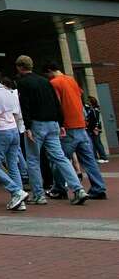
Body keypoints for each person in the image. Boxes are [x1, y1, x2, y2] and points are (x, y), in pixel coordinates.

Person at [15, 56, 87, 206]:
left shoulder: (23, 83)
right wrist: (60, 122)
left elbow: (25, 105)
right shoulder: (45, 81)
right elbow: (56, 102)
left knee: (33, 160)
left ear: (20, 67)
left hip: (36, 124)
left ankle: (39, 195)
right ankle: (78, 189)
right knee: (60, 157)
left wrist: (27, 126)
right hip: (53, 123)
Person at [45, 65, 107, 200]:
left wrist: (58, 124)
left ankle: (59, 188)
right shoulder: (71, 80)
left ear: (49, 71)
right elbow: (79, 97)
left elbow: (57, 104)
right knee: (89, 160)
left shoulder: (54, 83)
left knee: (59, 159)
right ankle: (98, 187)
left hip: (68, 127)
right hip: (81, 125)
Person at [0, 72, 28, 211]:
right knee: (13, 165)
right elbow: (16, 114)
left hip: (1, 131)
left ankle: (17, 192)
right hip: (13, 129)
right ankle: (20, 202)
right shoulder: (9, 92)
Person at [86, 96, 109, 162]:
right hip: (92, 128)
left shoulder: (94, 110)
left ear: (91, 102)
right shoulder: (92, 109)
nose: (87, 102)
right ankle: (98, 157)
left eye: (88, 101)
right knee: (95, 143)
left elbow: (97, 120)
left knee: (97, 143)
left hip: (94, 129)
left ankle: (103, 157)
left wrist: (96, 128)